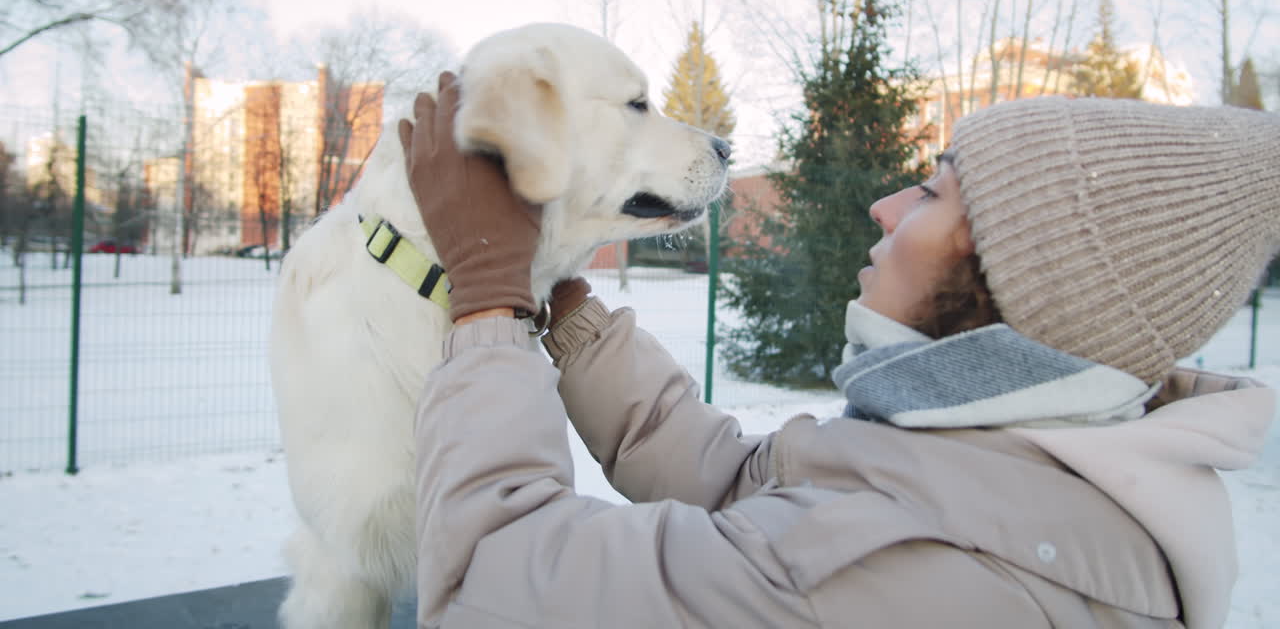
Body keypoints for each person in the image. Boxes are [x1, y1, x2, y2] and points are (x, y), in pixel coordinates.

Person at [402, 72, 1279, 629]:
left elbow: (493, 580)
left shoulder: (911, 581)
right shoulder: (1020, 468)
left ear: (1015, 284)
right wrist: (567, 310)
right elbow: (747, 484)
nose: (886, 207)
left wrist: (487, 304)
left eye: (933, 195)